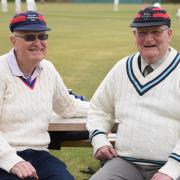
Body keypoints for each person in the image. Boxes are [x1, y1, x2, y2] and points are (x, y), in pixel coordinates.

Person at [87, 6, 180, 180]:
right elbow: (99, 108)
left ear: (169, 34)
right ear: (134, 36)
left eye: (156, 32)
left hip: (172, 164)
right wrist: (99, 140)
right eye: (142, 33)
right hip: (126, 163)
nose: (148, 39)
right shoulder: (122, 67)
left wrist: (172, 170)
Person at [0, 11, 89, 180]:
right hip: (4, 155)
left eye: (42, 36)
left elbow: (68, 106)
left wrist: (108, 109)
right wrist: (12, 161)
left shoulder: (47, 68)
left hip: (40, 155)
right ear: (13, 40)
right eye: (29, 37)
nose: (38, 42)